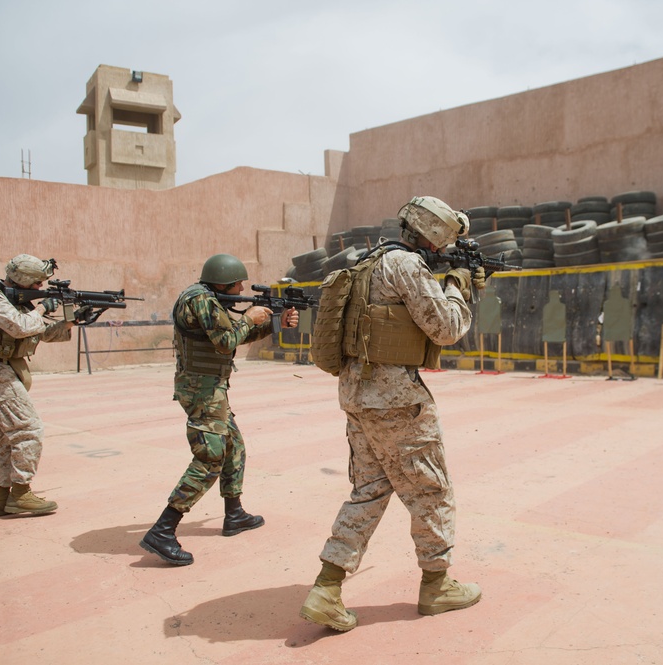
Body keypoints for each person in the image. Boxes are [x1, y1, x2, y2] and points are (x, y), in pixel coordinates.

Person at [299, 196, 486, 632]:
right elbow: (446, 327)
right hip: (397, 401)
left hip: (358, 396)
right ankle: (437, 586)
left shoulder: (369, 261)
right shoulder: (405, 266)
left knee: (368, 490)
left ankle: (327, 587)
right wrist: (458, 285)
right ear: (435, 235)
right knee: (432, 490)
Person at [139, 253, 299, 566]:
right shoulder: (201, 301)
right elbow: (226, 341)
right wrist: (249, 318)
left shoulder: (208, 299)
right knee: (210, 457)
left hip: (211, 388)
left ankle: (234, 514)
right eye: (238, 284)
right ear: (223, 280)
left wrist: (275, 324)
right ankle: (163, 529)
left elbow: (230, 337)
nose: (241, 290)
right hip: (202, 391)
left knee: (232, 447)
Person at [0, 254, 78, 517]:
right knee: (29, 430)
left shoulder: (14, 302)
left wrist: (70, 321)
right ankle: (21, 493)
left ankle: (0, 498)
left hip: (4, 372)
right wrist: (43, 308)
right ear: (24, 280)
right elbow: (20, 327)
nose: (40, 289)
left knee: (8, 437)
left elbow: (39, 333)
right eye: (37, 284)